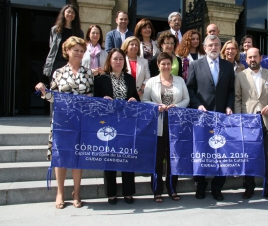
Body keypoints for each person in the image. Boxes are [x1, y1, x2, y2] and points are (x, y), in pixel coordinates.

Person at [35, 36, 94, 209]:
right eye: (75, 50)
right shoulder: (58, 73)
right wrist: (44, 91)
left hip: (81, 121)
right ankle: (60, 192)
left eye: (82, 51)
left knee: (78, 157)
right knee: (60, 157)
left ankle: (77, 192)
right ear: (67, 51)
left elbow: (91, 96)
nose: (79, 53)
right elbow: (53, 97)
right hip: (62, 121)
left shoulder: (88, 73)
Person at [186, 35, 235, 201]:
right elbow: (190, 89)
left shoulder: (228, 66)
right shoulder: (195, 65)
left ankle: (217, 187)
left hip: (222, 116)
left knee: (221, 151)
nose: (213, 48)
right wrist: (197, 104)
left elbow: (231, 90)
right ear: (204, 47)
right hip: (202, 115)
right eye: (210, 45)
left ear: (219, 47)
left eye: (216, 45)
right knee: (201, 151)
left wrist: (229, 106)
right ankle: (200, 185)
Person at [234, 47, 268, 203]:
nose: (253, 59)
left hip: (267, 121)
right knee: (249, 156)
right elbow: (237, 99)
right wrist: (239, 120)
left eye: (255, 56)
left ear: (261, 58)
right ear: (246, 59)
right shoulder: (240, 76)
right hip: (248, 122)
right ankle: (249, 187)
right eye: (250, 57)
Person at [94, 48, 140, 205]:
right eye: (115, 59)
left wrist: (134, 101)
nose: (118, 62)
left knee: (127, 157)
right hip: (108, 123)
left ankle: (128, 192)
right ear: (109, 61)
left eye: (121, 59)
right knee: (110, 158)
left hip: (126, 123)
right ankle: (111, 193)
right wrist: (102, 101)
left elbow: (136, 99)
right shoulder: (101, 79)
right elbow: (94, 102)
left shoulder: (129, 78)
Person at [142, 52, 190, 203]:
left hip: (175, 126)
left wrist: (177, 106)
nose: (166, 66)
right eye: (163, 63)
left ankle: (172, 188)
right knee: (157, 159)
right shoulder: (151, 82)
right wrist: (156, 106)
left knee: (172, 159)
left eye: (168, 63)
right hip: (158, 125)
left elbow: (187, 98)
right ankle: (157, 191)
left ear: (172, 65)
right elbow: (144, 100)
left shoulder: (180, 81)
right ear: (158, 65)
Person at [43, 4, 84, 79]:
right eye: (68, 12)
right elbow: (51, 46)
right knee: (55, 86)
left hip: (71, 63)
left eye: (73, 13)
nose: (70, 14)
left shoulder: (79, 32)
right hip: (56, 62)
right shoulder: (55, 30)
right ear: (64, 13)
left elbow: (82, 48)